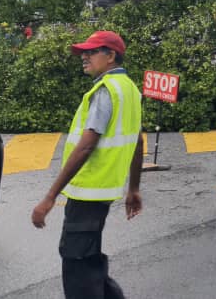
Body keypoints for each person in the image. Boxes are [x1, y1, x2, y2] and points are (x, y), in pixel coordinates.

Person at [31, 30, 143, 299]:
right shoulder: (129, 89)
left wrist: (49, 197)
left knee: (77, 263)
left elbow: (86, 145)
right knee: (88, 257)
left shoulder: (106, 91)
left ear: (111, 55)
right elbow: (138, 141)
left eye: (91, 52)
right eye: (84, 52)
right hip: (103, 192)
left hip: (88, 192)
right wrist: (134, 189)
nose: (84, 57)